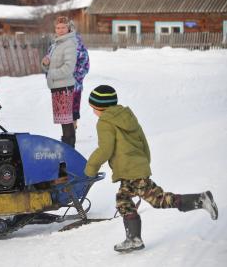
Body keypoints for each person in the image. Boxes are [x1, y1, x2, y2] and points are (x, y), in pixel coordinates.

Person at [85, 85, 218, 252]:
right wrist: (144, 163)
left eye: (93, 108)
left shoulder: (104, 122)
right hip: (135, 169)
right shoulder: (128, 116)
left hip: (131, 171)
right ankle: (133, 238)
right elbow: (143, 142)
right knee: (123, 200)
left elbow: (105, 149)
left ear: (101, 108)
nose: (93, 112)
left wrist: (90, 168)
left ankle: (200, 199)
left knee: (158, 200)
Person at [41, 16, 78, 147]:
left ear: (68, 28)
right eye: (58, 27)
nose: (60, 30)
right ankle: (67, 148)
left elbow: (68, 68)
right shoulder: (56, 43)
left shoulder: (69, 44)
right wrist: (46, 64)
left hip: (65, 87)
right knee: (64, 121)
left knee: (67, 121)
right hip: (57, 87)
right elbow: (53, 65)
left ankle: (69, 149)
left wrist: (51, 73)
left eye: (63, 27)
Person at [68, 21, 89, 130]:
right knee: (64, 112)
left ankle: (71, 134)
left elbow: (85, 65)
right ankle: (67, 134)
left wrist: (74, 76)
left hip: (74, 85)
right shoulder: (57, 44)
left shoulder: (78, 46)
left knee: (73, 111)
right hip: (60, 85)